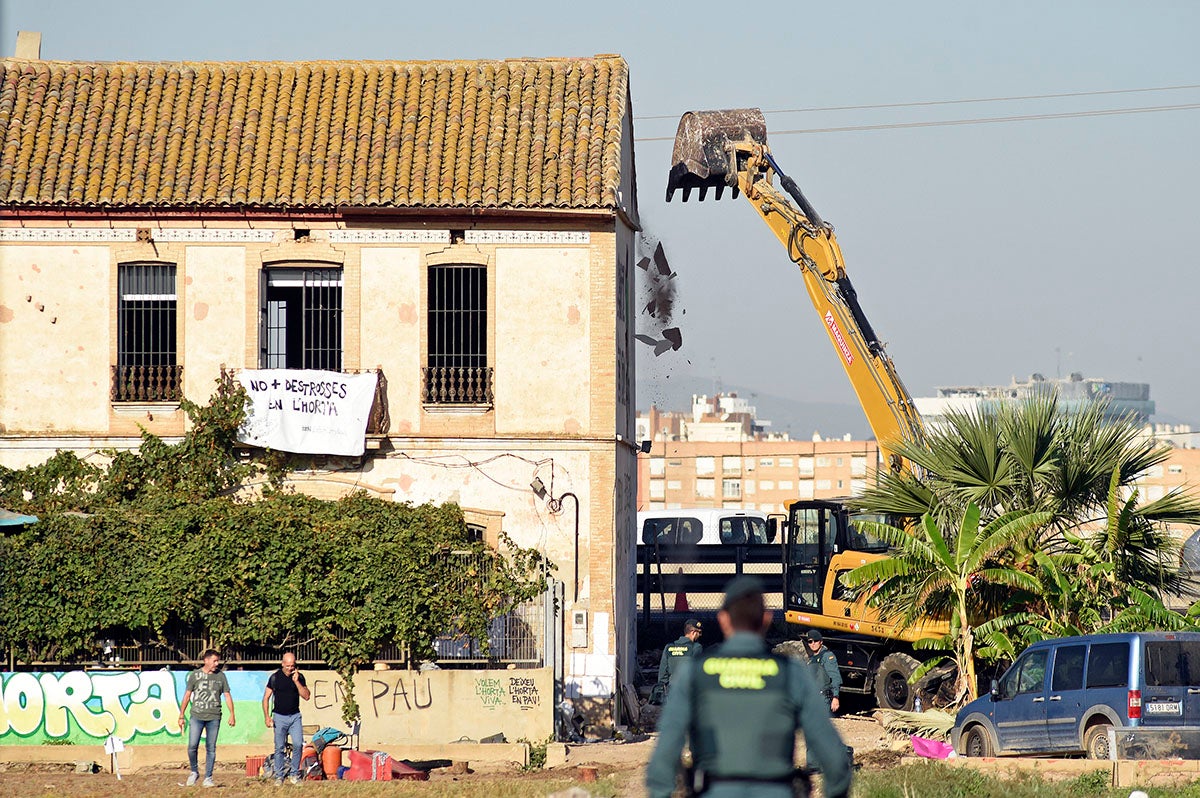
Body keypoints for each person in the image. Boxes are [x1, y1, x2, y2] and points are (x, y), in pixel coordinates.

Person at [646, 576, 852, 798]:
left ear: (723, 620)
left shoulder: (695, 673)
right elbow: (834, 759)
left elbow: (663, 760)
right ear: (766, 619)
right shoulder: (791, 673)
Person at [178, 649, 236, 788]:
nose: (217, 663)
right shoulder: (195, 675)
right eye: (214, 661)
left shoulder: (220, 676)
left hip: (214, 717)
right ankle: (194, 771)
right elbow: (187, 695)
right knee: (192, 746)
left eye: (218, 661)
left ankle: (208, 778)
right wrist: (181, 715)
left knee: (211, 748)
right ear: (206, 660)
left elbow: (227, 695)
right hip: (196, 716)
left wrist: (232, 714)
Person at [263, 651, 311, 785]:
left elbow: (306, 696)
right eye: (288, 665)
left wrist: (296, 682)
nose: (290, 668)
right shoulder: (275, 678)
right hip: (279, 717)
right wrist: (267, 717)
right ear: (282, 664)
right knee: (279, 747)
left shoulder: (299, 677)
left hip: (295, 716)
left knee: (297, 744)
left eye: (293, 665)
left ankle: (294, 774)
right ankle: (279, 776)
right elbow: (266, 698)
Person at [653, 618, 703, 703]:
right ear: (693, 633)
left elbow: (662, 674)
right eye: (699, 633)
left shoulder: (669, 647)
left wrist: (661, 690)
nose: (700, 635)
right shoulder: (696, 647)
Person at [804, 629, 842, 714]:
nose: (813, 644)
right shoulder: (812, 659)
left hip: (824, 699)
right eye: (810, 641)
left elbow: (835, 677)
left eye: (816, 641)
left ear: (821, 642)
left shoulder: (827, 656)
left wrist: (835, 697)